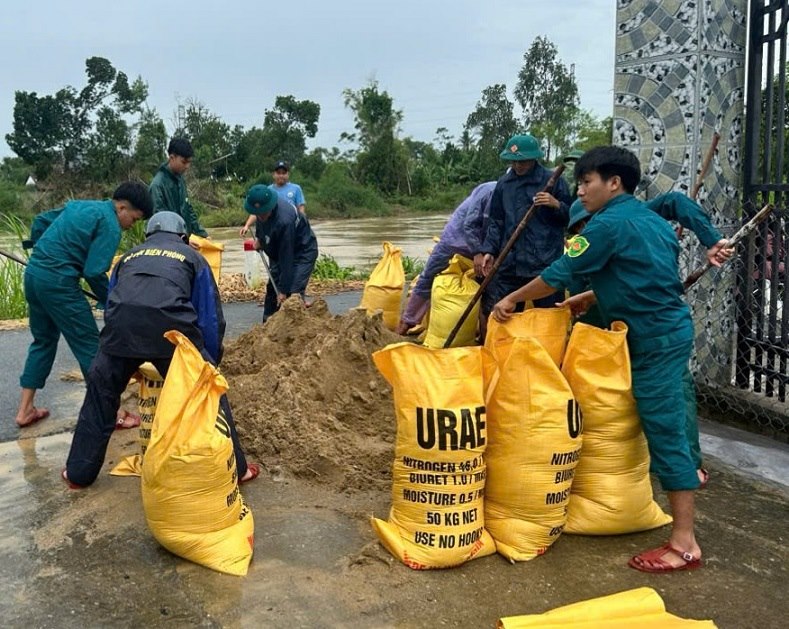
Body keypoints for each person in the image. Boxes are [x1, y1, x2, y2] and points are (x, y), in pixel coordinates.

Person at [492, 146, 733, 573]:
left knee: (664, 430)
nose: (580, 191)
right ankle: (685, 487)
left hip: (654, 339)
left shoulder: (605, 226)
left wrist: (509, 297)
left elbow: (554, 277)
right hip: (667, 329)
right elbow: (639, 273)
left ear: (613, 183)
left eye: (587, 183)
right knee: (668, 416)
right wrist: (593, 295)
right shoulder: (647, 217)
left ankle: (684, 543)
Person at [63, 211, 259, 488]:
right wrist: (209, 365)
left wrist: (121, 352)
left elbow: (112, 306)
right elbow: (210, 318)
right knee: (208, 393)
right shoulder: (193, 257)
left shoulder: (127, 258)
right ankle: (238, 471)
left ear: (148, 236)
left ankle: (78, 474)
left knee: (99, 396)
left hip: (119, 335)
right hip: (172, 334)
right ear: (183, 236)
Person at [15, 182, 153, 429]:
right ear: (121, 207)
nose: (133, 224)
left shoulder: (80, 206)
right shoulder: (111, 226)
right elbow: (94, 270)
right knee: (91, 347)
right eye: (134, 218)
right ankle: (113, 413)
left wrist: (43, 252)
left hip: (35, 275)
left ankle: (25, 411)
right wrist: (113, 301)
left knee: (43, 341)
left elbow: (41, 222)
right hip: (59, 285)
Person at [476, 133, 572, 317]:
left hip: (544, 262)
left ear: (534, 159)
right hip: (510, 262)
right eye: (513, 162)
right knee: (504, 315)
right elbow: (497, 221)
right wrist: (489, 250)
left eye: (523, 162)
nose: (518, 166)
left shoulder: (553, 181)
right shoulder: (504, 184)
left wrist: (556, 204)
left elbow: (572, 219)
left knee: (549, 317)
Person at [395, 181, 497, 336]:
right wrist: (477, 252)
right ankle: (406, 324)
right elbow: (470, 224)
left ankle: (484, 335)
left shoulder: (515, 198)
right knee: (428, 278)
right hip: (456, 240)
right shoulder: (489, 191)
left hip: (484, 246)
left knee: (487, 286)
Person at [244, 184, 319, 322]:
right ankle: (267, 325)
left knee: (292, 293)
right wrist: (260, 240)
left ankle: (298, 330)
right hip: (279, 250)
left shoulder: (285, 221)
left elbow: (287, 258)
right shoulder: (262, 211)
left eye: (263, 213)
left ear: (271, 207)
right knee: (272, 290)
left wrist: (284, 291)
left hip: (302, 251)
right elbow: (262, 226)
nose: (261, 216)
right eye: (257, 213)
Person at [150, 137, 208, 238]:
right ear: (172, 157)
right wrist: (182, 240)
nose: (187, 166)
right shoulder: (157, 186)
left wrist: (203, 234)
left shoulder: (180, 180)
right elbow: (159, 223)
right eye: (184, 162)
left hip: (184, 241)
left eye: (189, 162)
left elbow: (188, 211)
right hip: (168, 243)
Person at [239, 160, 306, 236]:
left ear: (288, 174)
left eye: (283, 173)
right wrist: (247, 225)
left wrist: (303, 226)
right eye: (278, 173)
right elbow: (258, 210)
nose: (281, 175)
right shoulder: (268, 190)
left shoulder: (296, 188)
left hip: (290, 227)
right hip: (272, 228)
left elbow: (301, 210)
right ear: (273, 174)